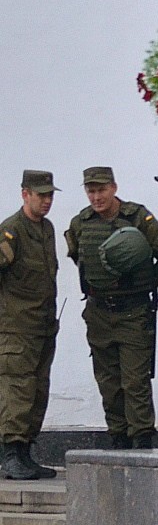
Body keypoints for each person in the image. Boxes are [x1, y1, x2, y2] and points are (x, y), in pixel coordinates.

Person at [65, 166, 158, 449]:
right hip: (99, 312)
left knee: (135, 380)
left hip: (133, 310)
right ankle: (118, 436)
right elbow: (79, 257)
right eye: (91, 191)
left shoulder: (138, 217)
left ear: (114, 188)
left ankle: (141, 438)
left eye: (101, 190)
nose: (96, 197)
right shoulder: (81, 223)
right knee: (108, 381)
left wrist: (145, 283)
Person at [0, 172, 61, 479]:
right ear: (25, 194)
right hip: (16, 329)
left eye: (50, 195)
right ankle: (10, 454)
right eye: (41, 195)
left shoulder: (46, 229)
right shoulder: (11, 231)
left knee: (37, 391)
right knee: (17, 390)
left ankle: (25, 453)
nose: (47, 201)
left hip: (43, 327)